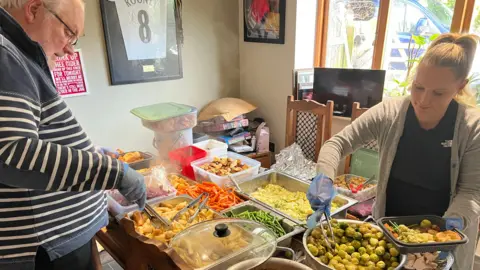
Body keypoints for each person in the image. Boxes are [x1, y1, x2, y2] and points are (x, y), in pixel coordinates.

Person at [307, 33, 480, 270]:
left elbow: (471, 192)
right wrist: (323, 177)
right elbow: (337, 144)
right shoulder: (390, 112)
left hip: (438, 244)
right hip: (389, 235)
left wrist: (449, 228)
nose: (423, 100)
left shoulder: (472, 128)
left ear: (460, 86)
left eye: (438, 93)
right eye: (418, 87)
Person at [0, 0, 147, 269]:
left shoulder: (18, 54)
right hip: (45, 246)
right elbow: (12, 154)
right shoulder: (5, 54)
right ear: (33, 9)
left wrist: (89, 152)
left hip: (55, 240)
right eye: (69, 32)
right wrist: (115, 172)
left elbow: (33, 135)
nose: (70, 48)